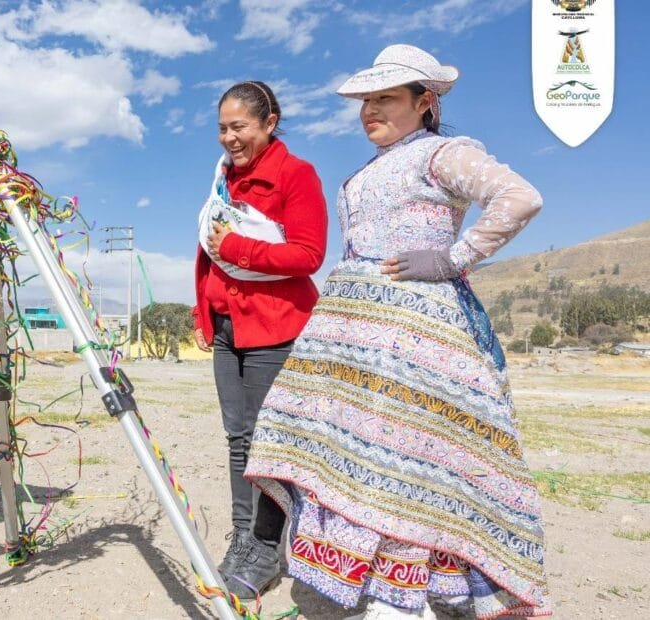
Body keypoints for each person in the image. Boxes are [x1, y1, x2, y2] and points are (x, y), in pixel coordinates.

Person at [243, 45, 550, 619]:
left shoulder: (441, 154)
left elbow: (519, 197)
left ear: (425, 102)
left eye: (385, 98)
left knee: (409, 460)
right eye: (366, 100)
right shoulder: (371, 168)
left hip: (414, 339)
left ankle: (406, 597)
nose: (369, 110)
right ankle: (379, 586)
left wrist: (454, 256)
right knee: (359, 457)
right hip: (358, 340)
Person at [191, 81, 328, 601]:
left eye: (239, 127)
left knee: (269, 443)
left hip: (275, 326)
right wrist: (203, 311)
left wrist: (242, 248)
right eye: (222, 128)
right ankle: (243, 539)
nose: (229, 138)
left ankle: (268, 549)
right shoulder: (223, 180)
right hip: (228, 327)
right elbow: (209, 251)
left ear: (269, 122)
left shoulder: (297, 175)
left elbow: (308, 254)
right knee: (238, 440)